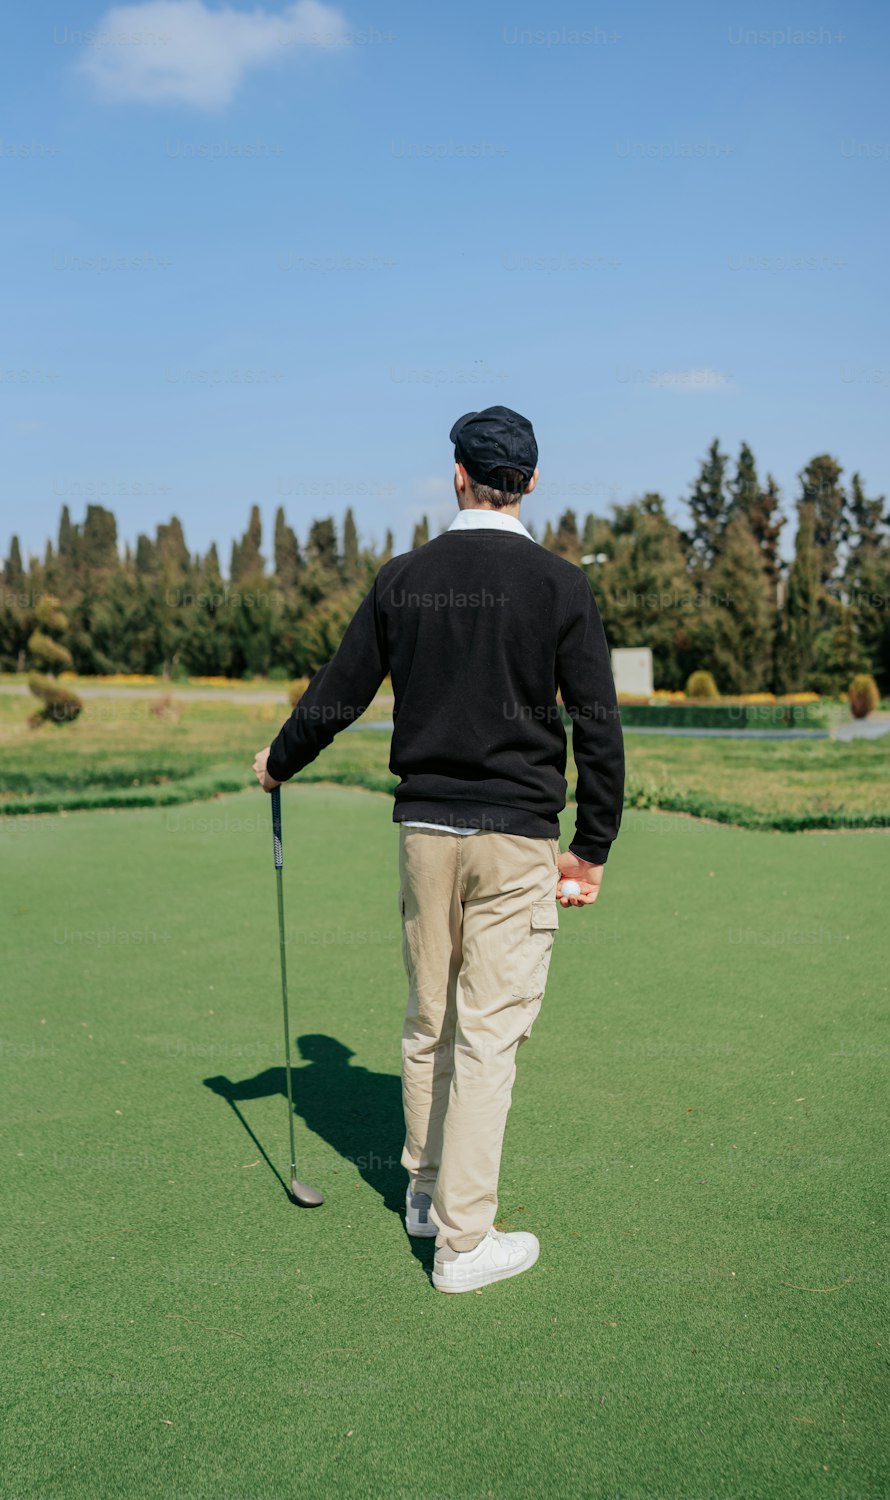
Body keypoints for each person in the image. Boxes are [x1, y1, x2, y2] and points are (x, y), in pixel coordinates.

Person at [253, 405, 625, 1292]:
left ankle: (422, 1192)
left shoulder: (404, 577)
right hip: (518, 840)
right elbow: (599, 730)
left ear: (456, 473)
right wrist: (593, 847)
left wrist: (280, 760)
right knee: (488, 1036)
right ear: (530, 483)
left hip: (425, 833)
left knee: (430, 1018)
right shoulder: (561, 585)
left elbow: (337, 692)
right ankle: (462, 1244)